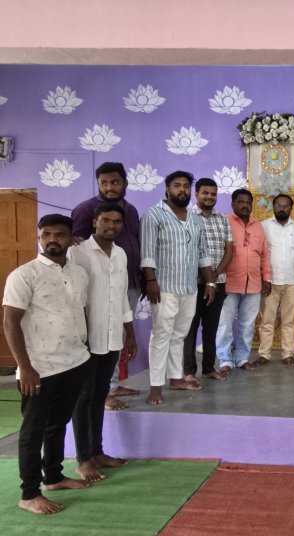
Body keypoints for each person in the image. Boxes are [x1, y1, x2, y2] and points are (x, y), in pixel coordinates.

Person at [3, 214, 92, 514]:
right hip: (39, 368)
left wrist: (84, 348)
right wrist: (25, 367)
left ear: (70, 238)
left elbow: (78, 312)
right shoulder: (23, 275)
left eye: (59, 235)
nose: (52, 240)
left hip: (75, 361)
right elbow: (10, 323)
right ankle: (29, 494)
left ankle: (53, 476)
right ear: (40, 237)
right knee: (33, 430)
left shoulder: (79, 273)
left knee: (58, 423)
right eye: (46, 235)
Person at [68, 204, 137, 482]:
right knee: (83, 397)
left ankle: (97, 452)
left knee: (99, 395)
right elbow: (72, 297)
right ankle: (83, 459)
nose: (111, 225)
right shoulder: (78, 252)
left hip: (112, 337)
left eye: (116, 222)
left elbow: (121, 298)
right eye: (106, 220)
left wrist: (129, 333)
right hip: (87, 338)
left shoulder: (120, 254)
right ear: (95, 222)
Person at [140, 171, 216, 405]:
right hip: (164, 287)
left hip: (189, 287)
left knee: (179, 335)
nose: (182, 190)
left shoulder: (194, 219)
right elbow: (147, 252)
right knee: (161, 335)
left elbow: (202, 253)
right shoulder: (153, 215)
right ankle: (155, 386)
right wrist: (151, 281)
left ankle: (175, 378)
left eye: (185, 186)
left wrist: (210, 282)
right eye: (177, 185)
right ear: (167, 189)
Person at [71, 161, 141, 410]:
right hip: (95, 290)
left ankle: (111, 385)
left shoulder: (130, 210)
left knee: (115, 337)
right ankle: (100, 393)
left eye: (115, 182)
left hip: (126, 281)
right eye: (104, 183)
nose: (110, 187)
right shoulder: (85, 209)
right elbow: (74, 244)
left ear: (125, 183)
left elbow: (134, 241)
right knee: (96, 339)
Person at [182, 178, 233, 382]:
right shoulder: (187, 217)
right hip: (193, 282)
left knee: (211, 327)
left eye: (213, 194)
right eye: (205, 193)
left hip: (218, 281)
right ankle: (189, 372)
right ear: (196, 194)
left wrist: (215, 275)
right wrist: (206, 277)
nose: (209, 197)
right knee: (190, 327)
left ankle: (209, 368)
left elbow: (229, 250)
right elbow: (186, 250)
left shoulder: (222, 219)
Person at [215, 189, 271, 375]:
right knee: (225, 324)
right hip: (229, 283)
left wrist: (267, 278)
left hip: (253, 284)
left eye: (248, 202)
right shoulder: (225, 222)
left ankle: (242, 358)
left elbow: (264, 255)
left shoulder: (258, 227)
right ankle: (225, 360)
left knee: (247, 325)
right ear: (233, 204)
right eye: (240, 202)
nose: (244, 205)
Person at [250, 194, 294, 367]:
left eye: (286, 206)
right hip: (269, 281)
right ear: (273, 207)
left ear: (291, 208)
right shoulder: (263, 227)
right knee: (267, 320)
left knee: (289, 321)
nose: (282, 208)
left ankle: (288, 354)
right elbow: (259, 254)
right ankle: (264, 354)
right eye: (279, 205)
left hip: (292, 281)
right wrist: (263, 278)